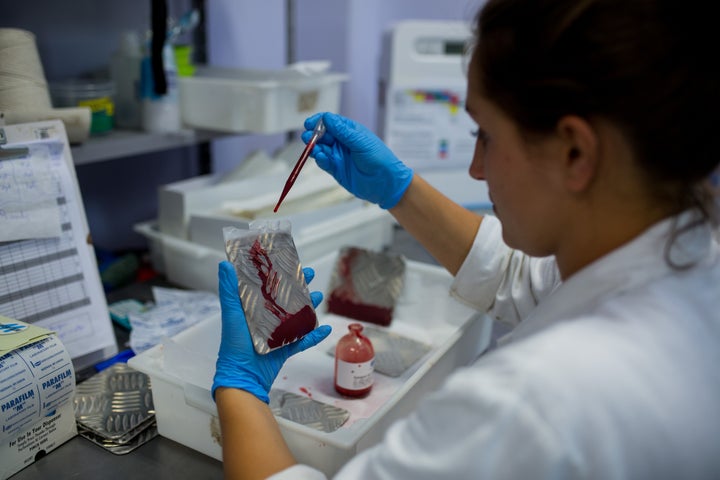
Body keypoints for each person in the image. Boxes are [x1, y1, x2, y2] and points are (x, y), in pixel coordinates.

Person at [211, 0, 720, 478]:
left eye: (486, 135)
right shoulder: (693, 263)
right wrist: (400, 191)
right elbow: (525, 277)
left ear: (574, 153)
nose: (476, 169)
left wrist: (239, 389)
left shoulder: (534, 401)